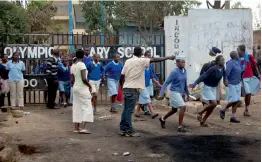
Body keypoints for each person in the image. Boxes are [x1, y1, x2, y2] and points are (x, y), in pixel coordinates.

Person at [119, 46, 176, 137]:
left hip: (127, 87)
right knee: (129, 110)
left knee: (126, 109)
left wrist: (121, 85)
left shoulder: (128, 61)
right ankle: (129, 130)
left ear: (133, 52)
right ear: (141, 53)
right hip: (133, 88)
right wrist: (168, 57)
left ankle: (123, 129)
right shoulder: (141, 60)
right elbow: (156, 59)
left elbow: (122, 75)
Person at [189, 55, 228, 127]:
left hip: (213, 88)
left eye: (224, 60)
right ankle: (200, 113)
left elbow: (225, 76)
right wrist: (195, 83)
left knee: (212, 107)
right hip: (207, 87)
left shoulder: (223, 68)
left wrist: (226, 82)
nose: (223, 61)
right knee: (214, 104)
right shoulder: (213, 68)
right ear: (218, 61)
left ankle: (203, 121)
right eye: (222, 60)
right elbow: (203, 76)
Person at [158, 56, 189, 132]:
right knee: (183, 106)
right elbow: (166, 83)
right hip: (174, 92)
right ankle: (180, 126)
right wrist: (161, 93)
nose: (183, 63)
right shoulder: (174, 72)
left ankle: (162, 118)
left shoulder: (184, 70)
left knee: (174, 109)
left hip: (180, 92)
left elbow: (185, 84)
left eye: (184, 62)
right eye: (182, 62)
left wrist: (187, 93)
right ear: (177, 63)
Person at [71, 49, 93, 134]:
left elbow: (72, 79)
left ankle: (76, 128)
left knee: (77, 107)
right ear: (83, 56)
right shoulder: (82, 65)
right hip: (82, 88)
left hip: (75, 87)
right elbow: (84, 78)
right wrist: (89, 85)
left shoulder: (73, 65)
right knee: (87, 107)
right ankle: (83, 128)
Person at [237, 45, 260, 117]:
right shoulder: (238, 58)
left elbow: (255, 65)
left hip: (251, 77)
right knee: (248, 92)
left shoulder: (249, 56)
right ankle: (246, 110)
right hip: (243, 78)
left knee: (249, 93)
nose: (237, 51)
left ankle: (246, 109)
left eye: (238, 50)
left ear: (242, 50)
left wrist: (259, 74)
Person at [220, 51, 242, 123]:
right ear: (235, 56)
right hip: (232, 84)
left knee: (237, 100)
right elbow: (226, 73)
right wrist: (225, 80)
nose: (238, 55)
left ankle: (233, 117)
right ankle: (223, 110)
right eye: (237, 54)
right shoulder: (230, 63)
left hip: (238, 83)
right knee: (234, 100)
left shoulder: (237, 62)